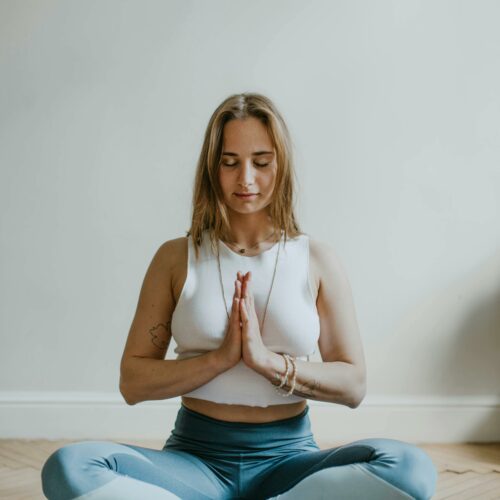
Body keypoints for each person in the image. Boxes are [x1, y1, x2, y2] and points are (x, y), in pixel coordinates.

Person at [41, 92, 437, 499]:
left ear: (280, 166)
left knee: (409, 468)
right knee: (70, 467)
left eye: (261, 162)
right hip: (194, 463)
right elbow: (133, 382)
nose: (246, 179)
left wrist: (266, 362)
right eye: (230, 163)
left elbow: (353, 385)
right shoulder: (176, 258)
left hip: (291, 464)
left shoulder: (316, 259)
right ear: (212, 169)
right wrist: (220, 360)